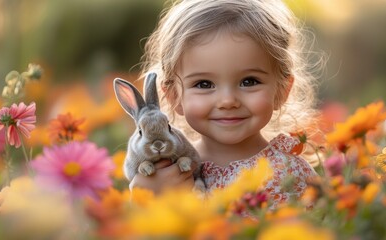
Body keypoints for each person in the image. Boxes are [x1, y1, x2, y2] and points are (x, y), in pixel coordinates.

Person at [132, 0, 321, 207]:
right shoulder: (165, 172)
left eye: (249, 81)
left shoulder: (290, 175)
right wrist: (144, 200)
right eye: (204, 84)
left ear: (281, 90)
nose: (227, 101)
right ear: (174, 97)